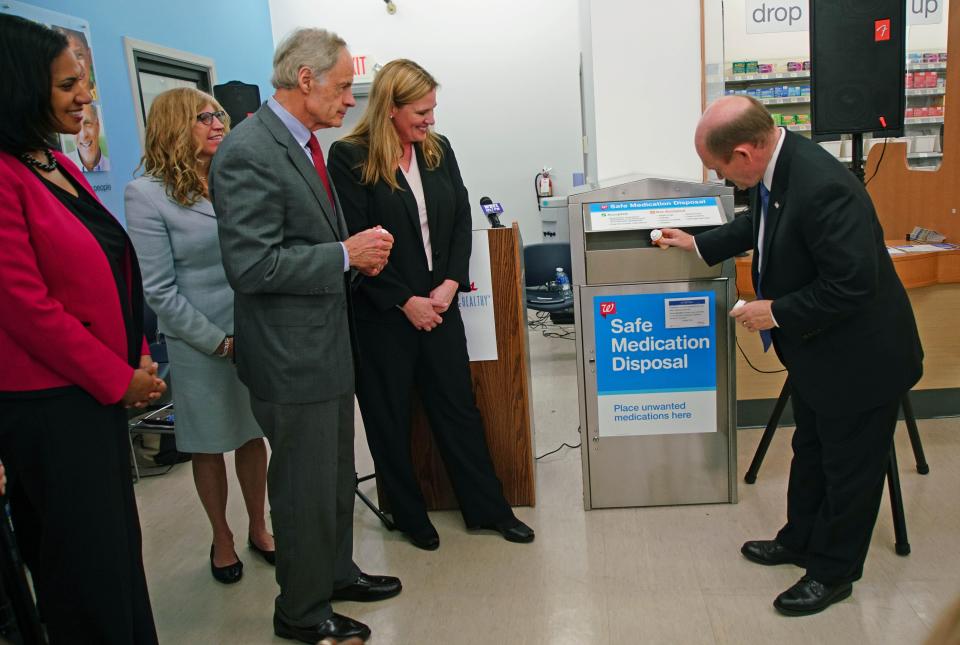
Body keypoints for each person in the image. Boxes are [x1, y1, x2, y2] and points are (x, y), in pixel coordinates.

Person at [658, 95, 923, 616]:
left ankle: (833, 572)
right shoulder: (777, 167)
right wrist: (699, 243)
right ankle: (799, 539)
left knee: (851, 470)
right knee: (813, 450)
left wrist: (774, 312)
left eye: (720, 170)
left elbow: (852, 285)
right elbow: (761, 224)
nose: (725, 181)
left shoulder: (823, 187)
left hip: (861, 361)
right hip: (818, 353)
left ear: (743, 153)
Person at [210, 27, 400, 644]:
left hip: (325, 349)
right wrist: (344, 256)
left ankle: (333, 572)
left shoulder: (307, 147)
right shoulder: (248, 152)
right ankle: (299, 610)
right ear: (306, 79)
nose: (352, 100)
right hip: (291, 359)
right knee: (301, 486)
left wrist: (350, 255)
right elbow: (253, 266)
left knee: (332, 476)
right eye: (345, 87)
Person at [0, 14, 164, 643]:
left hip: (96, 389)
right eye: (69, 85)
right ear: (19, 86)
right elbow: (23, 304)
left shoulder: (47, 160)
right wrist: (115, 376)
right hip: (50, 404)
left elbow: (109, 265)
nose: (87, 97)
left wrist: (137, 355)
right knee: (82, 563)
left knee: (115, 550)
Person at [328, 59, 534, 551]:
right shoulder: (349, 157)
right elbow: (357, 243)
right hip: (383, 314)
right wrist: (405, 301)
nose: (431, 120)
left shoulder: (439, 151)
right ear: (390, 108)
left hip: (440, 306)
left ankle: (489, 509)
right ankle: (409, 514)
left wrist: (448, 284)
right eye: (421, 111)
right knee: (388, 418)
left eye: (433, 109)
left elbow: (460, 221)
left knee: (459, 410)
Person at [124, 87, 276, 585]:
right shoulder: (146, 193)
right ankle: (222, 537)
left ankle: (258, 526)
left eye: (219, 116)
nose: (217, 124)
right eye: (202, 117)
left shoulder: (231, 178)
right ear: (172, 127)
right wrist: (218, 341)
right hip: (199, 342)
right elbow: (160, 290)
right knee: (209, 445)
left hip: (253, 332)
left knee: (253, 437)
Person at [66, 103, 109, 172]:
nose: (83, 135)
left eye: (87, 123)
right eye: (76, 125)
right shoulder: (63, 168)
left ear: (97, 125)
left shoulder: (115, 164)